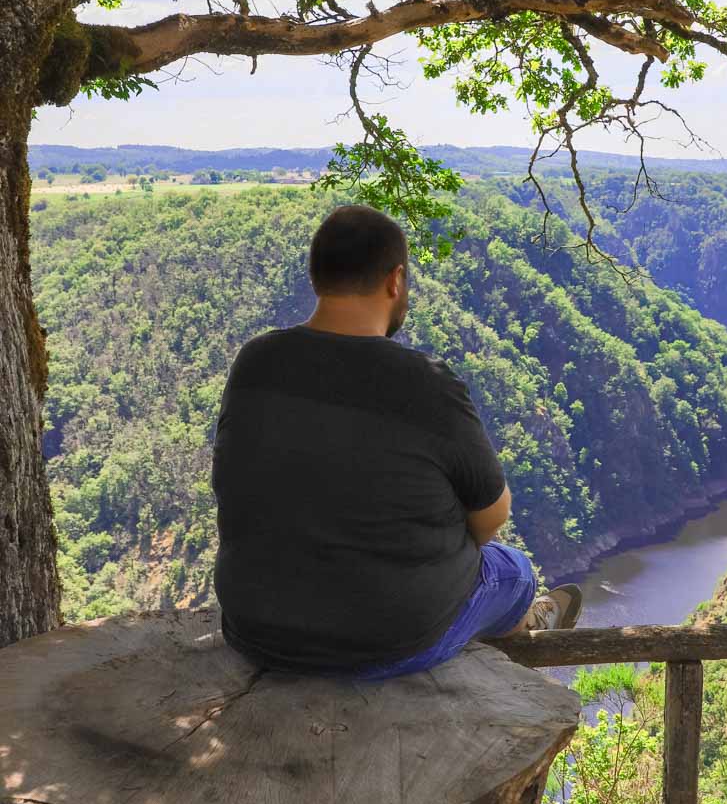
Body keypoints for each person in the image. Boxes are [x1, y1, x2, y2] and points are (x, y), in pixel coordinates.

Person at [212, 203, 582, 678]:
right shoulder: (427, 384)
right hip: (386, 644)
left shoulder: (254, 362)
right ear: (395, 281)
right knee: (514, 570)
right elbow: (491, 517)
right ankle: (527, 620)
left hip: (254, 630)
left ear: (317, 277)